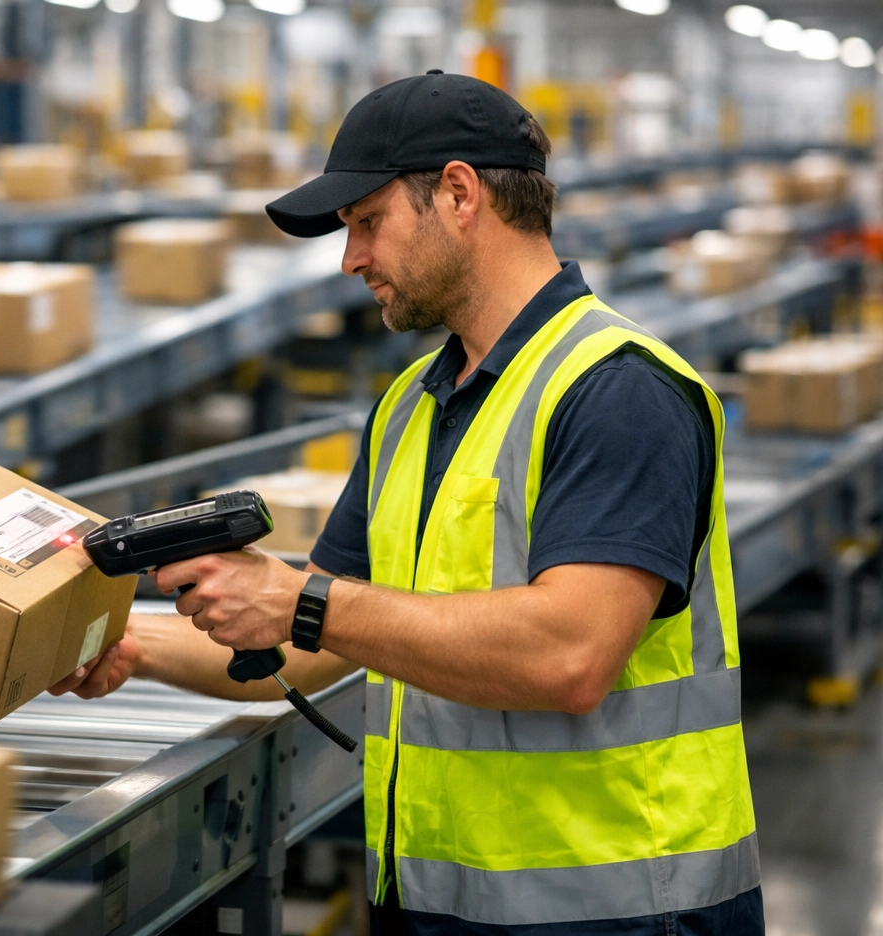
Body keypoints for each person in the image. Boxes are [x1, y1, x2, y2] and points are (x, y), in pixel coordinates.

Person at [52, 72, 762, 935]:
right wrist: (126, 646)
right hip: (438, 902)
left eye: (366, 223)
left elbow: (571, 657)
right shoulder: (412, 409)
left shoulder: (616, 391)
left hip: (619, 911)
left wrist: (301, 601)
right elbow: (311, 646)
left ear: (459, 195)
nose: (351, 260)